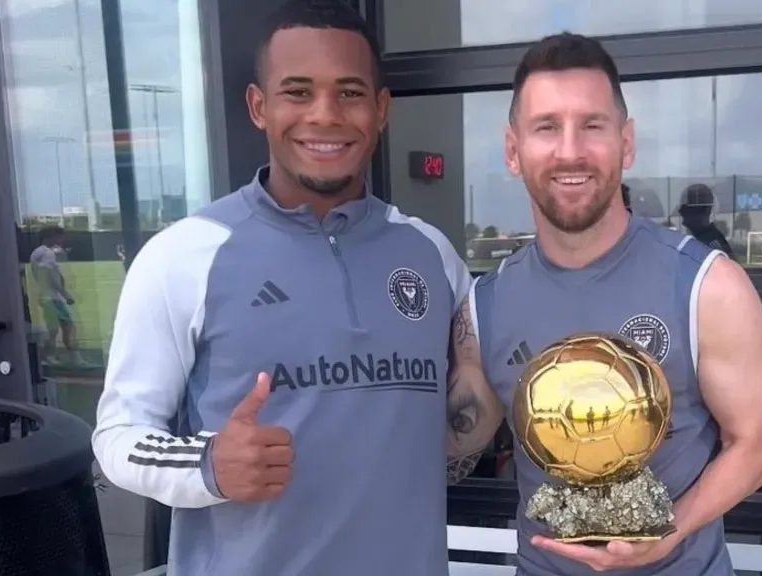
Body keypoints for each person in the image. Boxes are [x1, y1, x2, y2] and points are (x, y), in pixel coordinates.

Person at [91, 2, 470, 575]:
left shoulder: (432, 255)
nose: (325, 115)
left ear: (381, 109)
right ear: (258, 107)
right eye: (297, 92)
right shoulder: (184, 256)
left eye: (350, 93)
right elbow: (119, 436)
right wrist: (208, 463)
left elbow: (473, 405)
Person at [445, 33, 762, 575]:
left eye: (592, 125)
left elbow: (755, 447)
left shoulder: (707, 286)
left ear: (626, 143)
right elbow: (453, 447)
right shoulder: (486, 307)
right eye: (546, 127)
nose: (570, 151)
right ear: (512, 150)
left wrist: (670, 531)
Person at [29, 225, 84, 366]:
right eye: (58, 237)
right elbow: (49, 276)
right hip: (51, 297)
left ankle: (52, 356)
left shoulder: (37, 253)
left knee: (55, 328)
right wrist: (65, 294)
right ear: (49, 237)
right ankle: (71, 357)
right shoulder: (47, 253)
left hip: (46, 296)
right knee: (67, 326)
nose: (61, 240)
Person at [676, 183, 734, 257]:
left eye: (685, 209)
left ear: (706, 210)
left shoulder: (710, 246)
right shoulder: (700, 240)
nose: (680, 212)